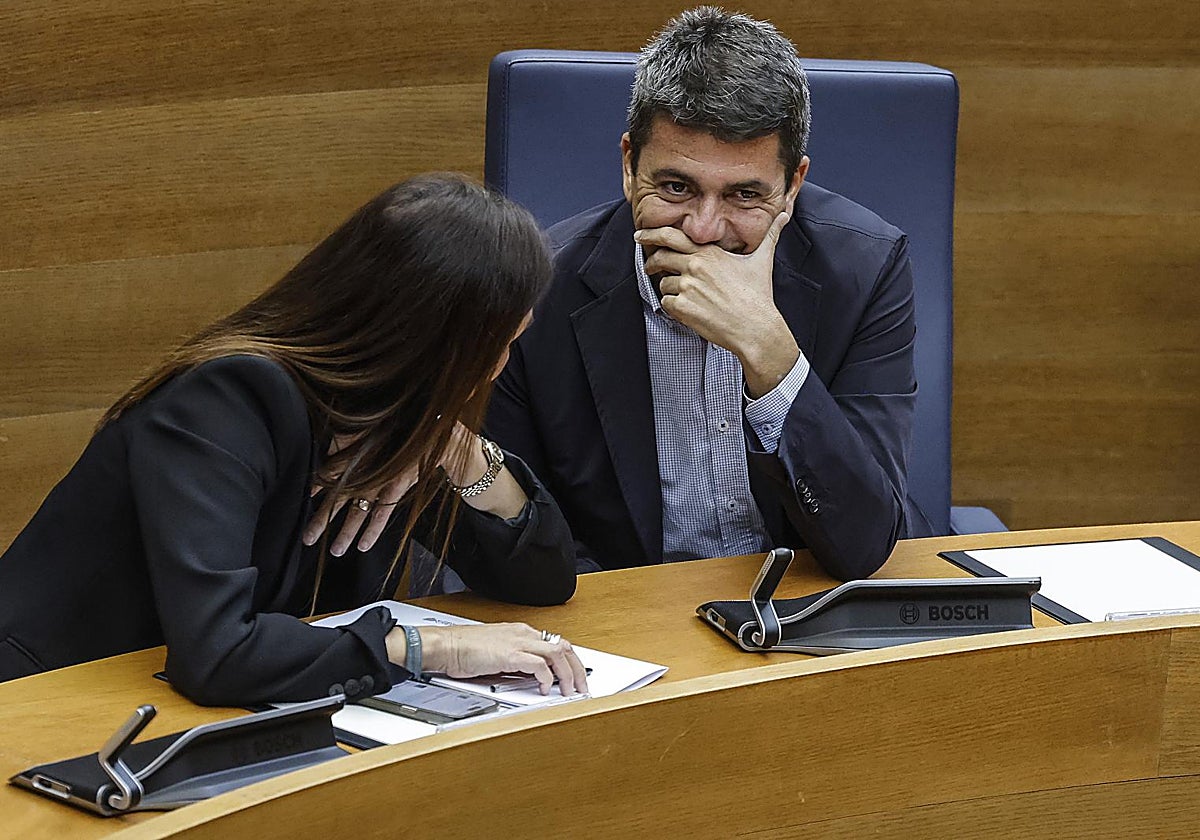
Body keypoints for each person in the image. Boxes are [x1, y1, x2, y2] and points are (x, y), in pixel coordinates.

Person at [0, 174, 589, 705]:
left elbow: (542, 582)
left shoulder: (395, 415)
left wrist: (459, 453)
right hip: (51, 701)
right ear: (422, 337)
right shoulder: (226, 398)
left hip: (203, 711)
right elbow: (219, 654)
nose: (496, 370)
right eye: (495, 346)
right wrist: (433, 647)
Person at [486, 7, 933, 580]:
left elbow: (866, 542)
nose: (703, 229)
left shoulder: (866, 269)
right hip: (625, 612)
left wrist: (769, 350)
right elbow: (525, 545)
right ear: (629, 166)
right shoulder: (536, 289)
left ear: (792, 186)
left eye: (745, 195)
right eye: (676, 187)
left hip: (807, 599)